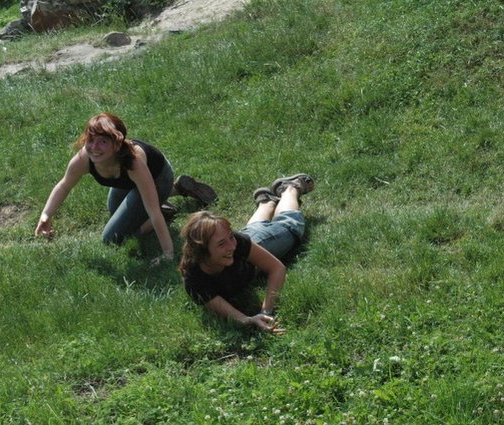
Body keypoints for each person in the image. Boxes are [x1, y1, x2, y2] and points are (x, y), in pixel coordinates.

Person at [35, 112, 217, 264]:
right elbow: (64, 185)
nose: (94, 147)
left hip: (159, 178)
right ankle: (178, 189)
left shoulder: (133, 162)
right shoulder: (84, 159)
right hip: (131, 184)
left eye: (103, 141)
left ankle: (168, 194)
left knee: (113, 237)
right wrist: (45, 216)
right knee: (114, 211)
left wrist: (168, 254)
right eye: (91, 140)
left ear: (117, 144)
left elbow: (153, 211)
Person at [178, 174, 314, 334]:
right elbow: (238, 317)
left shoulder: (236, 243)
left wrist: (266, 312)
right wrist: (250, 319)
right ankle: (266, 202)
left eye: (231, 237)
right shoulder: (195, 281)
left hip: (259, 241)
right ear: (202, 251)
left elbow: (277, 268)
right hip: (251, 238)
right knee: (253, 231)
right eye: (221, 244)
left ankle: (290, 188)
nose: (231, 246)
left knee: (291, 227)